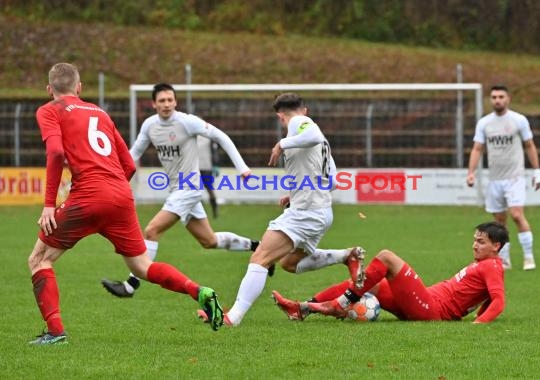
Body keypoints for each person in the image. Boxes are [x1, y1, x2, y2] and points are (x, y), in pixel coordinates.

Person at [28, 63, 224, 345]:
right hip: (120, 194)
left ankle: (56, 332)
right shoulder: (99, 112)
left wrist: (50, 204)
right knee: (143, 266)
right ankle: (198, 291)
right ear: (79, 88)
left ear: (49, 90)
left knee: (38, 259)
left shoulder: (49, 110)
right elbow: (129, 165)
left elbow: (56, 151)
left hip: (87, 196)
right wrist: (113, 188)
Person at [198, 92, 365, 327]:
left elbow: (312, 134)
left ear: (280, 117)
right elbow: (334, 179)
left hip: (306, 213)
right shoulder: (320, 138)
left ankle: (231, 318)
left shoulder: (299, 124)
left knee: (260, 258)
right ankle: (346, 256)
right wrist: (296, 191)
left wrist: (281, 143)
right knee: (289, 263)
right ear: (304, 109)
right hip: (320, 211)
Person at [101, 83, 258, 298]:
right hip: (177, 189)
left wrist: (242, 168)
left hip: (189, 188)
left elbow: (221, 136)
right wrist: (110, 170)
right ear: (153, 104)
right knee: (209, 241)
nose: (167, 104)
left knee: (152, 230)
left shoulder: (187, 122)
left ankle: (130, 285)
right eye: (162, 101)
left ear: (176, 101)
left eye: (170, 100)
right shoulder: (149, 125)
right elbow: (133, 154)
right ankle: (256, 246)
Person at [272, 221, 507, 324]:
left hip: (430, 310)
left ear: (496, 246)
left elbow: (499, 300)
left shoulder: (492, 266)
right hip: (425, 302)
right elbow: (486, 296)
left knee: (386, 257)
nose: (475, 245)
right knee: (368, 284)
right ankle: (303, 308)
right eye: (475, 240)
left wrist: (480, 323)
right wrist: (479, 314)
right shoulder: (487, 265)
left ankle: (339, 304)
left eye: (481, 242)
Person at [466, 85, 540, 271]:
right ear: (490, 100)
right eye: (494, 97)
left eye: (501, 96)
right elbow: (477, 148)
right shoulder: (484, 123)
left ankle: (528, 256)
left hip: (515, 177)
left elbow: (529, 144)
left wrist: (537, 171)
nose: (497, 100)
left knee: (516, 214)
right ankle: (505, 260)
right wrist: (471, 172)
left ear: (508, 99)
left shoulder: (518, 120)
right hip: (495, 179)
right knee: (499, 222)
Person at [198, 135, 220, 218]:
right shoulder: (191, 136)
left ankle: (215, 210)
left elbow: (214, 151)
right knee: (195, 190)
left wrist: (215, 164)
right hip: (194, 168)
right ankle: (199, 213)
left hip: (207, 167)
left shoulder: (208, 137)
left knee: (210, 189)